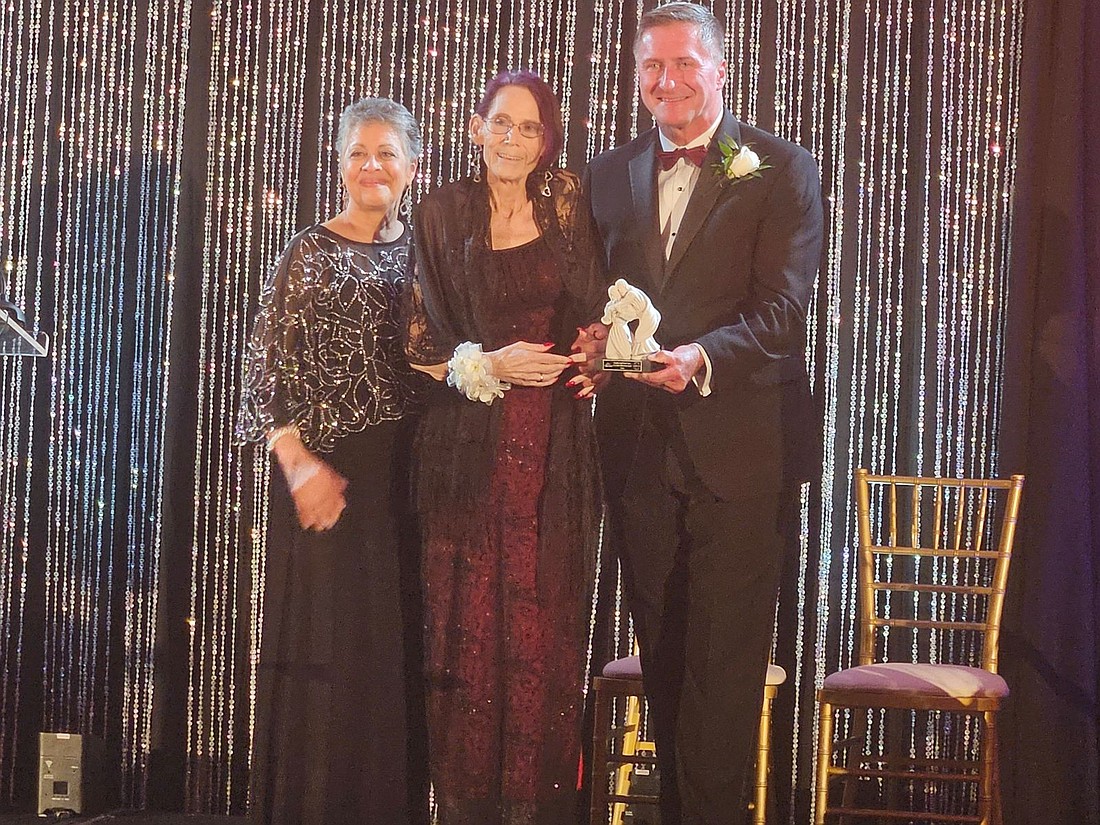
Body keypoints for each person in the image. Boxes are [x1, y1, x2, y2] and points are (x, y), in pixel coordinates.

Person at [582, 3, 825, 824]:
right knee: (666, 661)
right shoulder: (607, 174)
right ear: (637, 77)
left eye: (685, 63)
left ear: (721, 69)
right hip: (638, 451)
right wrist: (591, 339)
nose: (668, 80)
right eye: (652, 65)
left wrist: (699, 358)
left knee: (722, 675)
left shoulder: (781, 168)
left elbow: (784, 311)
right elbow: (598, 298)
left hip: (741, 453)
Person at [405, 70, 605, 824]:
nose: (514, 139)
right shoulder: (442, 210)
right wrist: (488, 362)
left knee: (540, 638)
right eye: (502, 123)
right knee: (462, 643)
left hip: (552, 457)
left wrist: (592, 351)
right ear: (475, 127)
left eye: (530, 128)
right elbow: (418, 341)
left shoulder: (566, 201)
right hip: (463, 455)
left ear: (548, 140)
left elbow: (595, 311)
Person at [237, 97, 428, 825]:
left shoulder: (426, 251)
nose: (371, 165)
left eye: (386, 152)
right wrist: (298, 464)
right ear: (340, 164)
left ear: (414, 165)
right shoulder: (309, 251)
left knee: (392, 660)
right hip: (329, 478)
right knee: (332, 658)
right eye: (357, 152)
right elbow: (264, 372)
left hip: (407, 482)